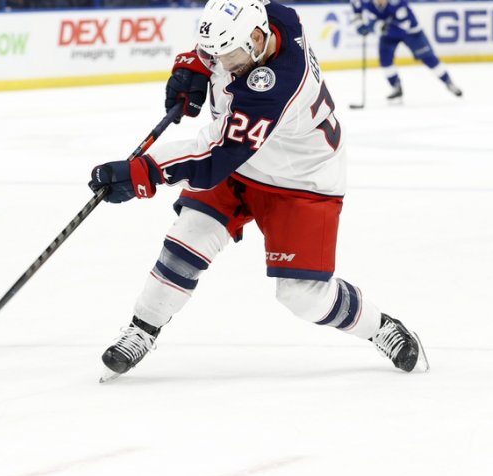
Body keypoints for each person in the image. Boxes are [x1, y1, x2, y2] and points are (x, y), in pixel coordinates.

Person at [88, 0, 429, 381]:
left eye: (229, 57)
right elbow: (218, 35)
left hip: (301, 182)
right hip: (245, 163)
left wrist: (143, 173)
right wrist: (195, 65)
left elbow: (212, 159)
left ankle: (379, 326)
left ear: (256, 38)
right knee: (187, 239)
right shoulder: (271, 17)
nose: (224, 66)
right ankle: (143, 327)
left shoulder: (273, 85)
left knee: (301, 295)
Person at [352, 0, 462, 101]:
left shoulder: (397, 2)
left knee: (428, 58)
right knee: (385, 60)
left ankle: (448, 82)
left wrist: (375, 27)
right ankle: (396, 86)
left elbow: (402, 28)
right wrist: (359, 24)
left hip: (411, 32)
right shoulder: (366, 2)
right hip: (386, 32)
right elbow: (356, 8)